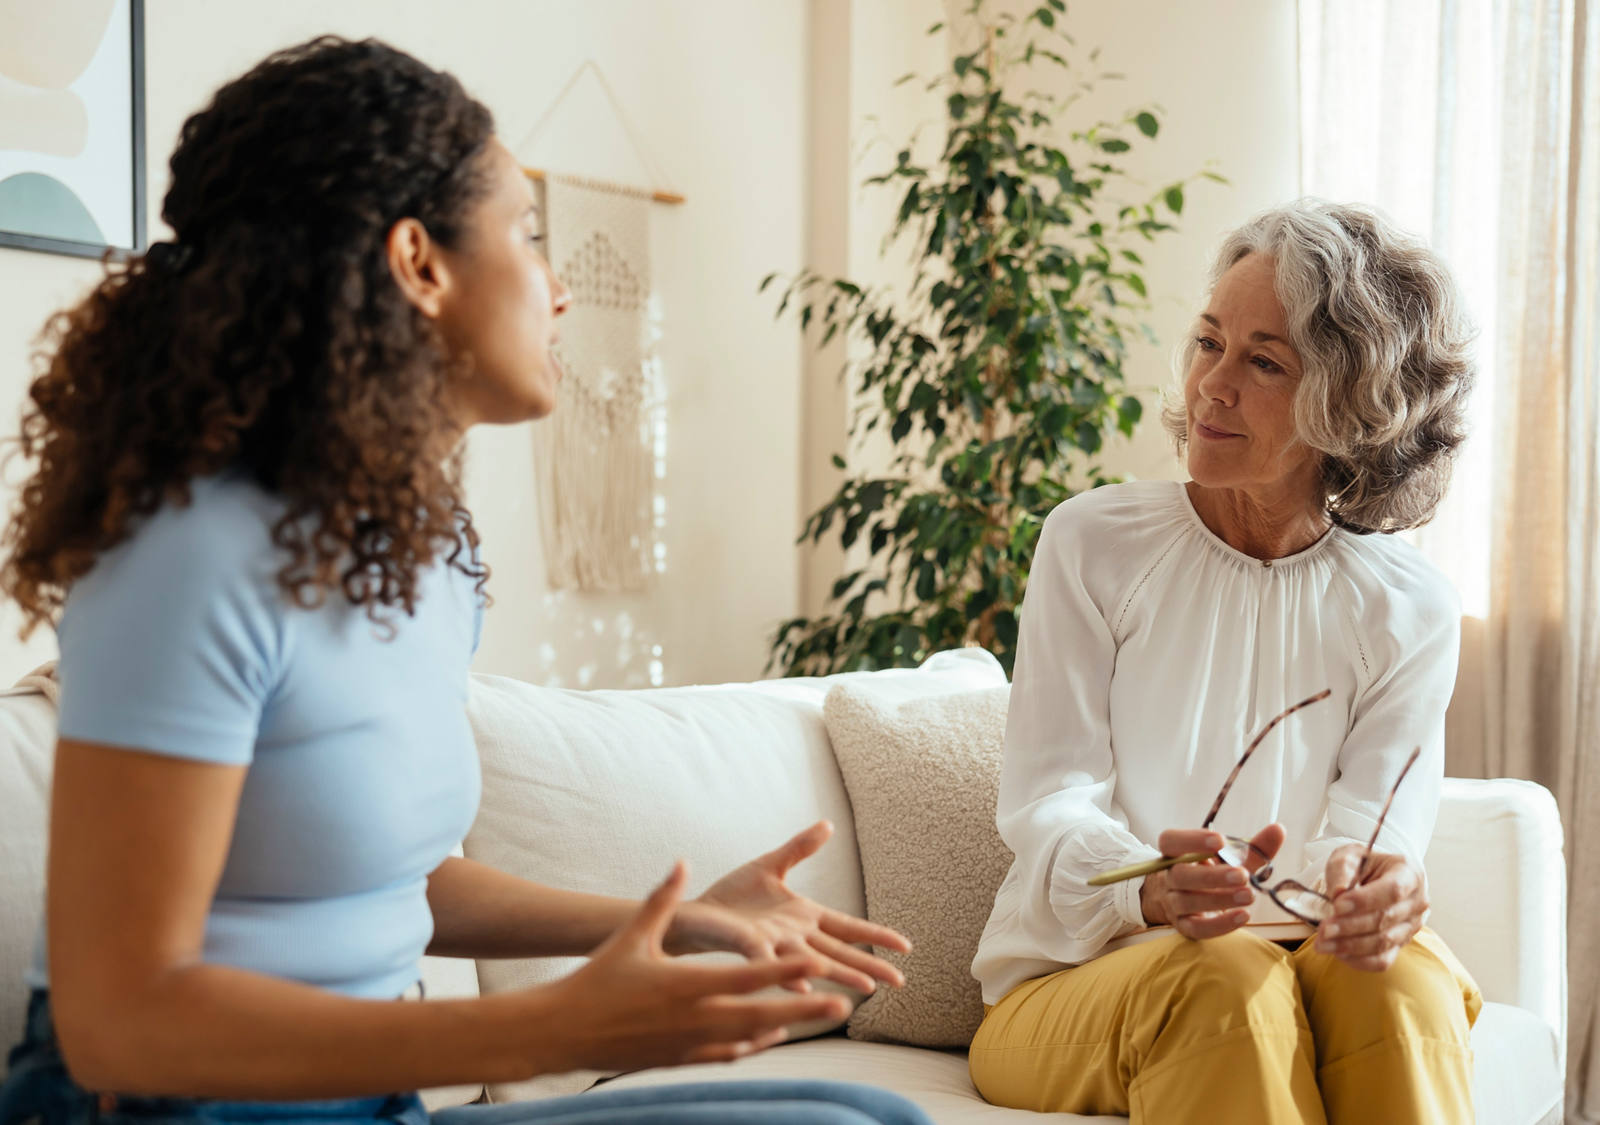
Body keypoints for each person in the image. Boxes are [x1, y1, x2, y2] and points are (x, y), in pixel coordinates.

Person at [0, 37, 932, 1125]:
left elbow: (392, 885)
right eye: (528, 236)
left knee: (868, 1116)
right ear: (419, 261)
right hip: (167, 1112)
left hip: (367, 1102)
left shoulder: (420, 552)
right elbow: (120, 1025)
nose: (561, 289)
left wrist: (677, 919)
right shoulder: (186, 559)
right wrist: (555, 1027)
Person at [967, 201, 1481, 1124]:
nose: (1212, 385)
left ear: (1349, 404)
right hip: (1076, 979)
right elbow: (1048, 804)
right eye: (1209, 343)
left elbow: (1376, 833)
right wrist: (1149, 886)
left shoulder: (1410, 607)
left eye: (1264, 363)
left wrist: (1379, 888)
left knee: (1401, 982)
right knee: (1228, 981)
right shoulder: (1092, 542)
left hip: (1298, 961)